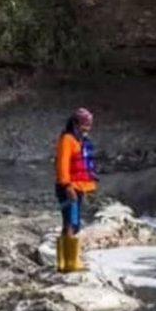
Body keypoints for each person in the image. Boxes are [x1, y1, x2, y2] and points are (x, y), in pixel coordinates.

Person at [54, 107, 99, 273]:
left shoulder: (80, 141)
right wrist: (67, 186)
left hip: (78, 187)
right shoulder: (67, 140)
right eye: (84, 125)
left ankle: (64, 263)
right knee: (71, 223)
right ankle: (70, 263)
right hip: (68, 187)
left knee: (72, 223)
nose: (87, 128)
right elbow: (62, 164)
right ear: (75, 123)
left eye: (89, 125)